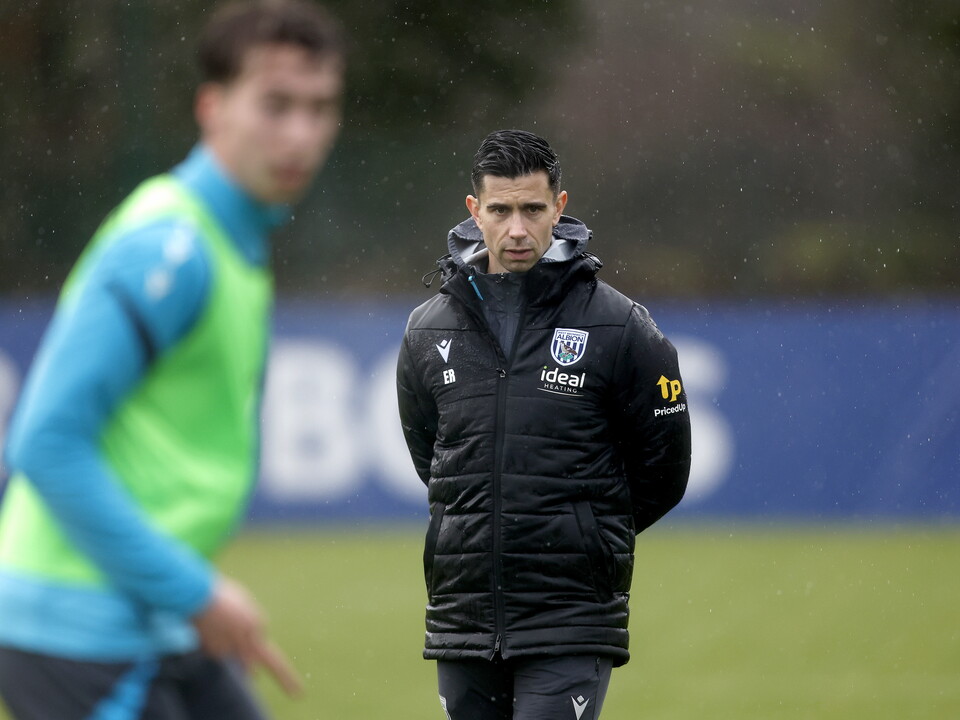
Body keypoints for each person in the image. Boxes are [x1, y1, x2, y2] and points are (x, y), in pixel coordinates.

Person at [0, 2, 344, 718]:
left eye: (320, 109)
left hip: (148, 612)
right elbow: (45, 440)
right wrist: (196, 591)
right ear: (212, 108)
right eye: (276, 105)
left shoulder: (234, 236)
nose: (302, 135)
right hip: (76, 630)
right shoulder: (170, 247)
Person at [396, 129, 692, 720]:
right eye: (500, 210)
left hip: (572, 616)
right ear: (474, 212)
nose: (516, 229)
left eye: (532, 209)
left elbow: (665, 466)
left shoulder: (619, 325)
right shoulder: (427, 330)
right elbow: (433, 457)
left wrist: (585, 530)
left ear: (559, 207)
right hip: (465, 616)